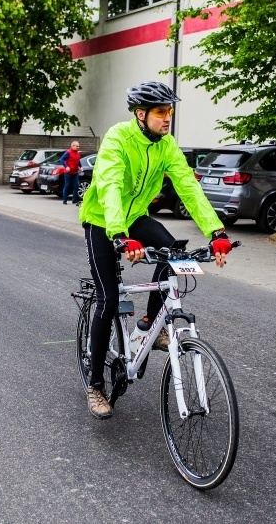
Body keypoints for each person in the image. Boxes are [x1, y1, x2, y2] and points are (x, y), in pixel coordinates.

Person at [78, 81, 233, 419]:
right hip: (103, 220)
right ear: (141, 113)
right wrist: (119, 234)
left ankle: (151, 322)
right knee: (107, 299)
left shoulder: (166, 145)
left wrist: (217, 231)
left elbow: (188, 187)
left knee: (175, 253)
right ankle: (95, 385)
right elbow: (110, 185)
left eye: (170, 112)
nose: (168, 119)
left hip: (135, 217)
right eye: (162, 112)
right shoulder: (118, 137)